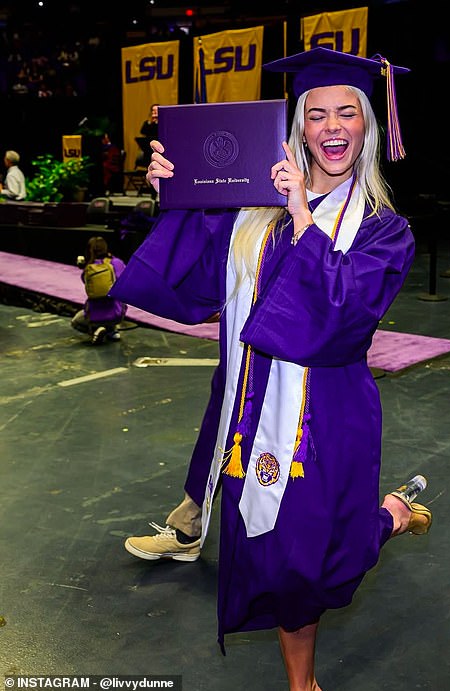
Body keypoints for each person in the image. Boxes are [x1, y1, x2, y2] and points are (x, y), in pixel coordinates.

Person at [112, 47, 431, 690]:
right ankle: (303, 683)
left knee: (314, 565)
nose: (333, 128)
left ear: (369, 125)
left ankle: (388, 515)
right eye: (317, 115)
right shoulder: (250, 211)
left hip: (327, 419)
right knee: (276, 558)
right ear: (298, 126)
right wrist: (174, 195)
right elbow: (196, 290)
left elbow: (340, 319)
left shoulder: (384, 230)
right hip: (247, 412)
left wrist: (303, 216)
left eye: (348, 113)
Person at [71, 236, 127, 345]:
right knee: (117, 299)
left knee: (76, 322)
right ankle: (111, 330)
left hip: (94, 315)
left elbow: (85, 282)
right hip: (117, 313)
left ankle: (97, 330)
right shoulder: (117, 262)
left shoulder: (89, 268)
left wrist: (84, 265)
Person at [137, 103, 159, 168]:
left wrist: (157, 122)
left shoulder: (162, 122)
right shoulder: (147, 122)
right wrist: (150, 123)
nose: (155, 112)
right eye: (153, 110)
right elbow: (142, 131)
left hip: (158, 147)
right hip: (148, 148)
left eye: (156, 110)